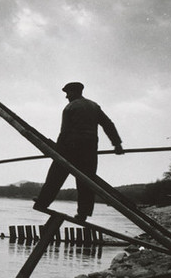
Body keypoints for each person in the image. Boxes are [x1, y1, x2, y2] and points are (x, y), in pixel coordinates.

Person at [33, 82, 124, 220]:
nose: (66, 97)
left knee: (55, 175)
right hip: (90, 147)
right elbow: (108, 124)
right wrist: (117, 144)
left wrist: (57, 151)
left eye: (67, 93)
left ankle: (43, 202)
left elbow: (64, 132)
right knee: (86, 180)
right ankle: (83, 213)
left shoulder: (70, 107)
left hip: (71, 146)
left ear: (74, 92)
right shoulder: (94, 106)